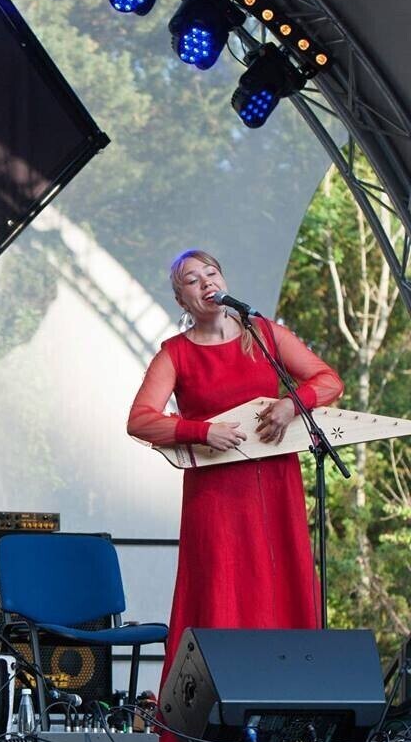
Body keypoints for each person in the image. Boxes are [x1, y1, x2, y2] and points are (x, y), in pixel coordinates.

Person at [127, 249, 344, 698]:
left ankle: (292, 702)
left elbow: (328, 381)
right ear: (182, 300)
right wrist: (201, 430)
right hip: (216, 494)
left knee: (281, 578)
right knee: (220, 587)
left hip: (275, 483)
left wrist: (291, 403)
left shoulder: (263, 334)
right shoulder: (176, 353)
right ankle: (215, 708)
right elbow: (140, 420)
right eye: (192, 279)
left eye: (212, 273)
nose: (206, 282)